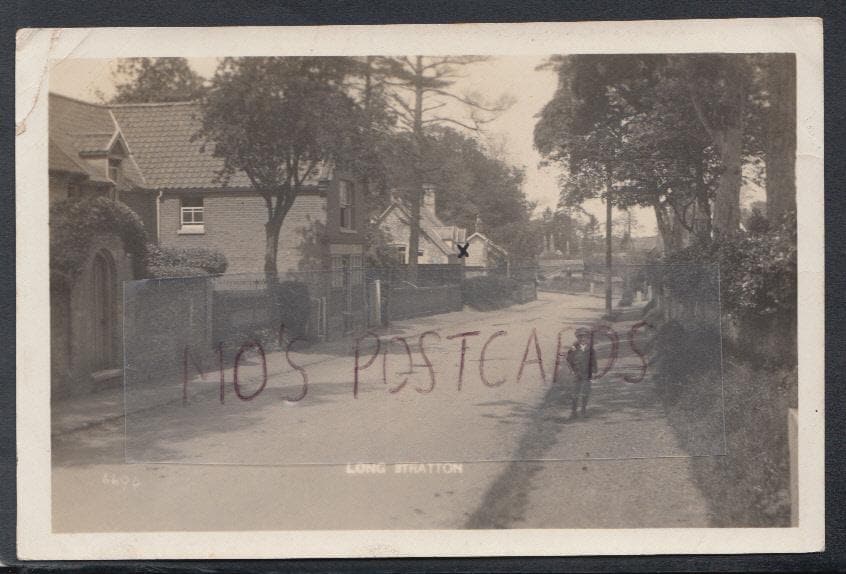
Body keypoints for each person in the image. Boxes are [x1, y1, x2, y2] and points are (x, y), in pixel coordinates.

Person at [566, 327, 597, 419]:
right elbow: (568, 359)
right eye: (580, 337)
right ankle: (573, 412)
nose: (582, 339)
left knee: (586, 392)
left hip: (587, 374)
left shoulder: (590, 349)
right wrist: (572, 370)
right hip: (577, 373)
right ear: (577, 338)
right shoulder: (573, 348)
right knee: (575, 392)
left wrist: (594, 371)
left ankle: (583, 410)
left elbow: (593, 361)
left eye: (585, 337)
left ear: (588, 338)